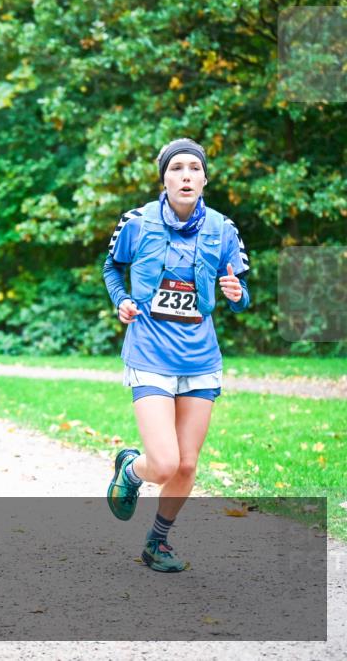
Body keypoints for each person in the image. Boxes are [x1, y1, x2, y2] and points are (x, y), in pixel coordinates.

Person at [103, 138, 250, 572]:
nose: (185, 176)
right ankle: (131, 470)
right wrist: (121, 300)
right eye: (176, 169)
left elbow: (240, 294)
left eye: (193, 169)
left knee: (186, 465)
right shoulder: (136, 222)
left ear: (205, 178)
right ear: (163, 177)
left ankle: (157, 543)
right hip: (149, 354)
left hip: (201, 361)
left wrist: (238, 295)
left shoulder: (224, 229)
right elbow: (112, 266)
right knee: (163, 463)